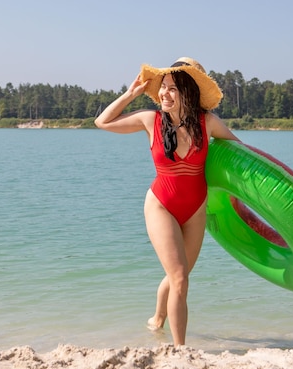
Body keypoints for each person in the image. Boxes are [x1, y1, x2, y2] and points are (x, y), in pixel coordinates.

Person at [94, 57, 240, 346]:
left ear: (189, 92)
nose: (164, 94)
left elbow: (239, 153)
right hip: (161, 205)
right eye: (163, 88)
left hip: (196, 210)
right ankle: (180, 350)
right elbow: (102, 122)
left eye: (172, 88)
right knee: (180, 278)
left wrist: (237, 199)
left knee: (178, 275)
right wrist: (131, 94)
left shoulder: (207, 123)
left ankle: (157, 319)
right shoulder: (151, 120)